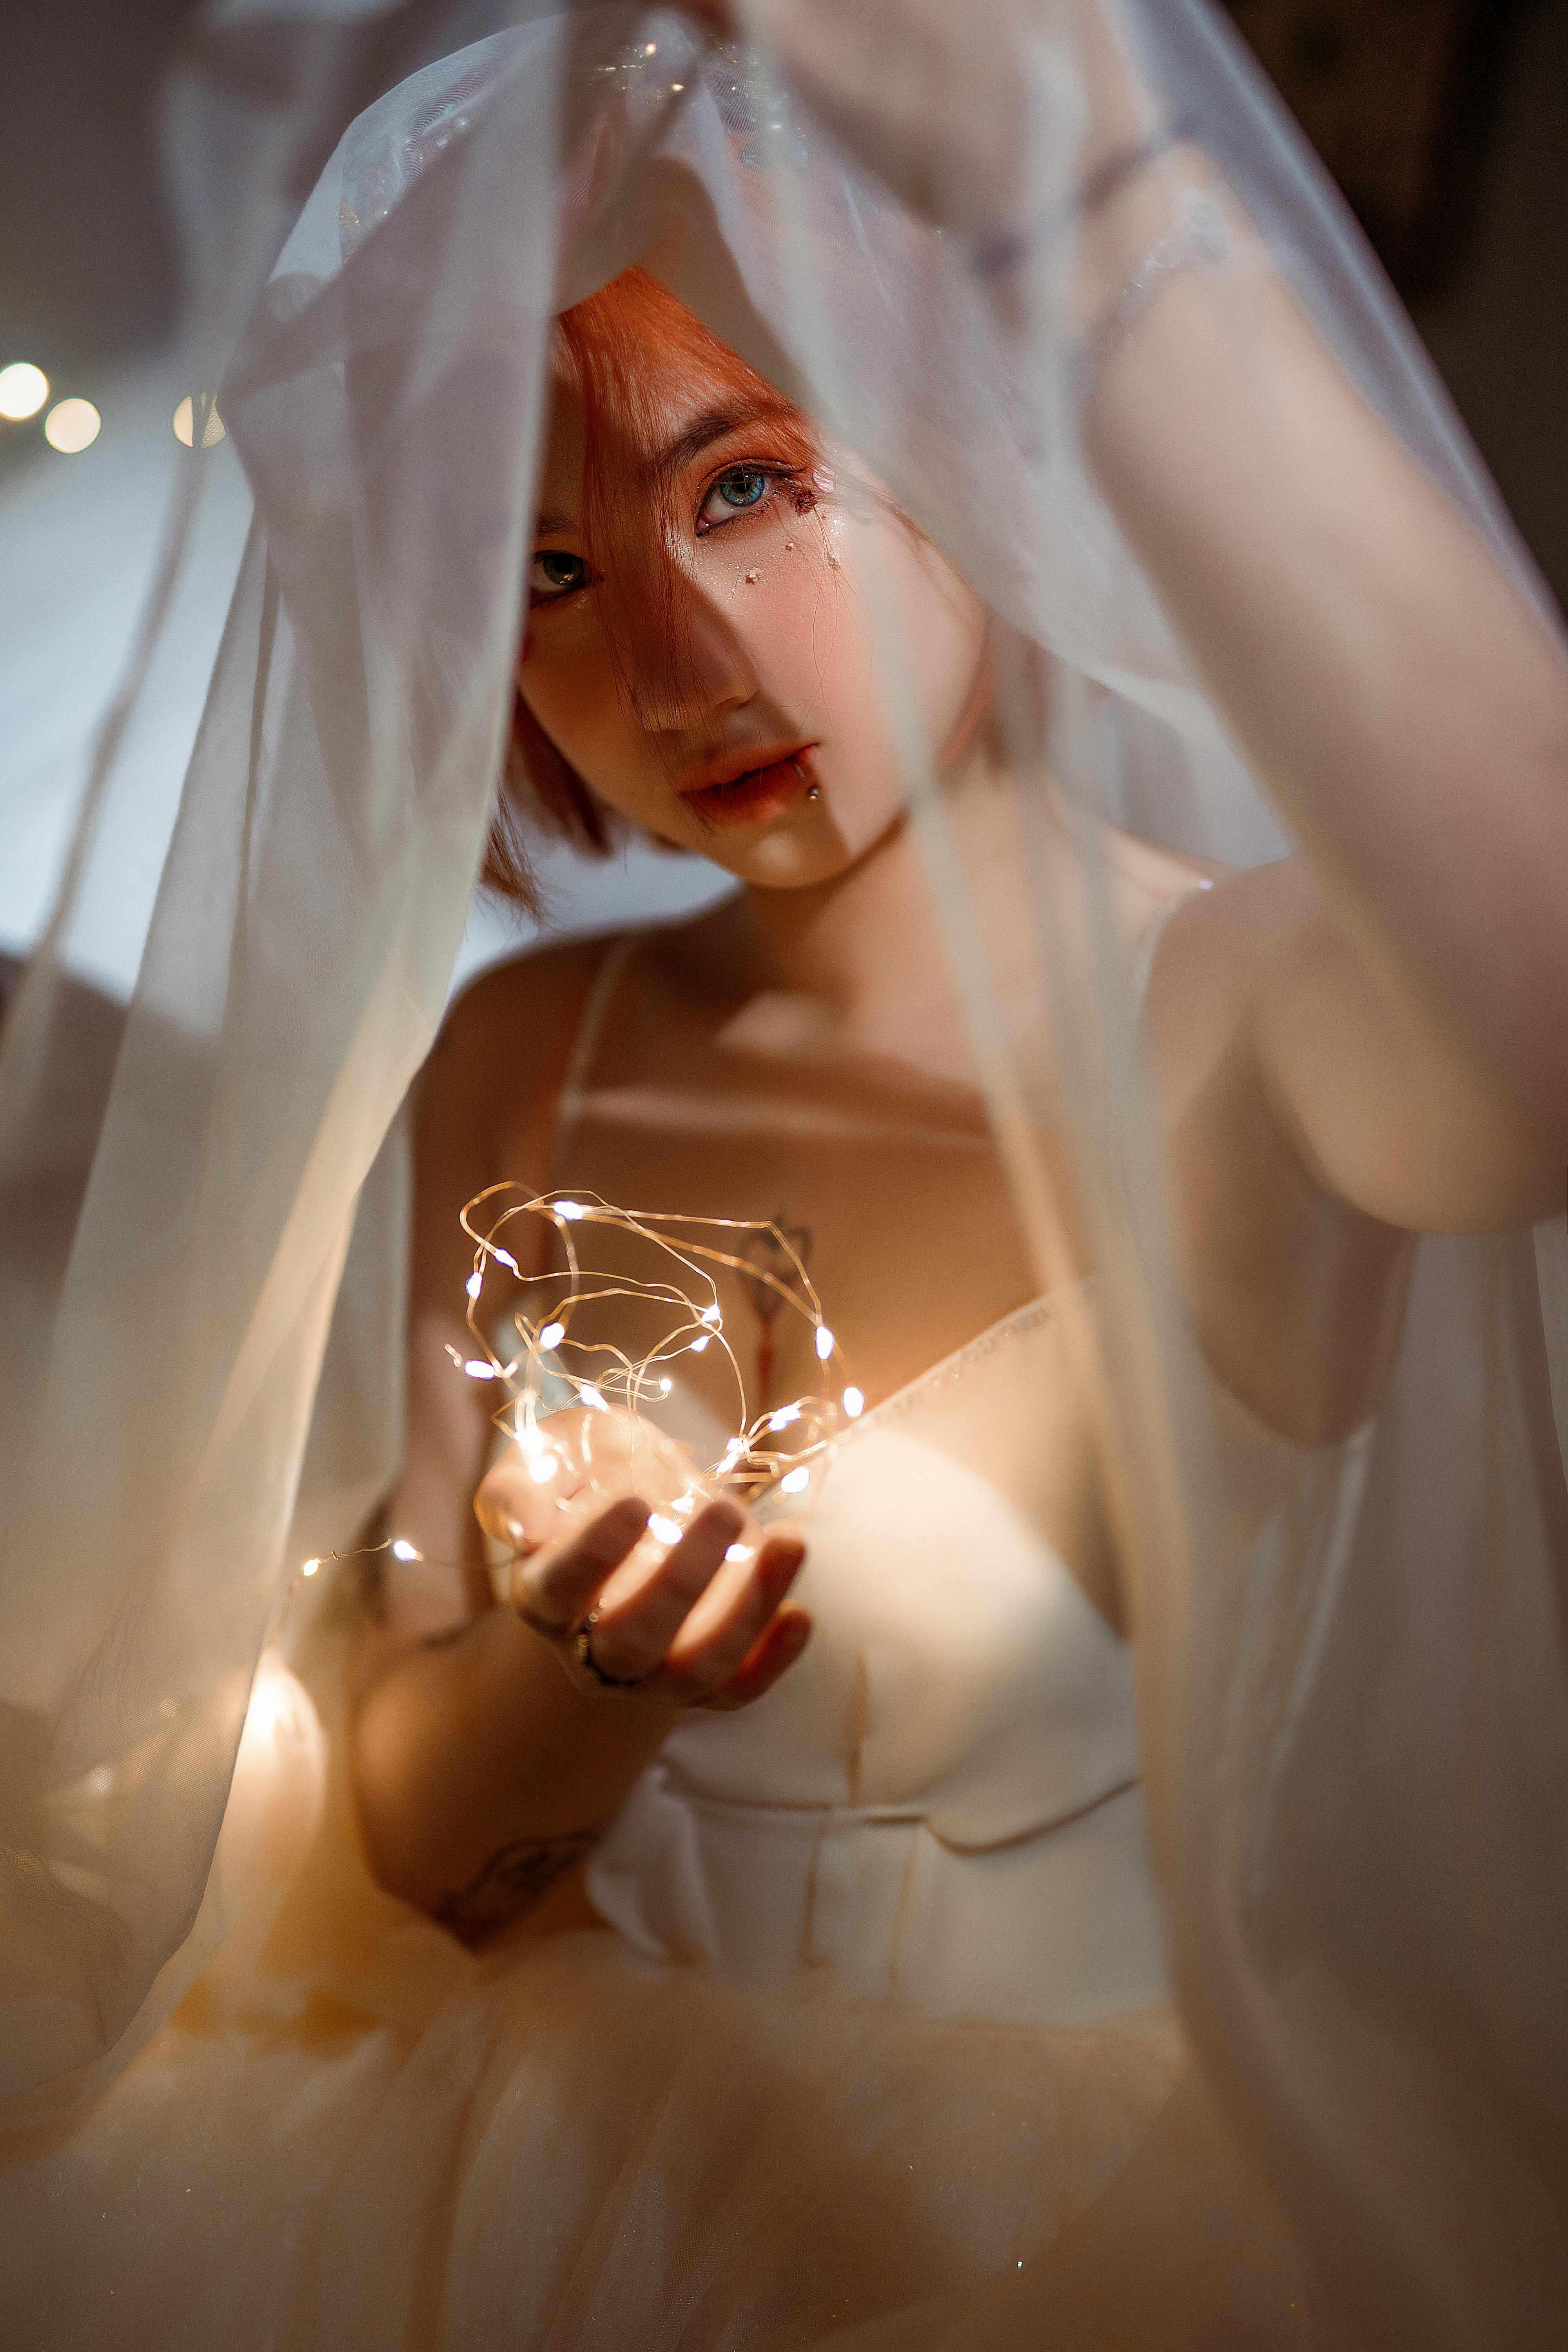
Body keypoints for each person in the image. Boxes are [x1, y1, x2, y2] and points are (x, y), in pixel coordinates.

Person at [2, 3, 1566, 2345]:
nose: (675, 648)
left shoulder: (1252, 1013)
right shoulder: (525, 1053)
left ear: (966, 443)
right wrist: (578, 1675)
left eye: (746, 484)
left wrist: (1101, 192)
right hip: (499, 2183)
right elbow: (423, 1853)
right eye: (545, 572)